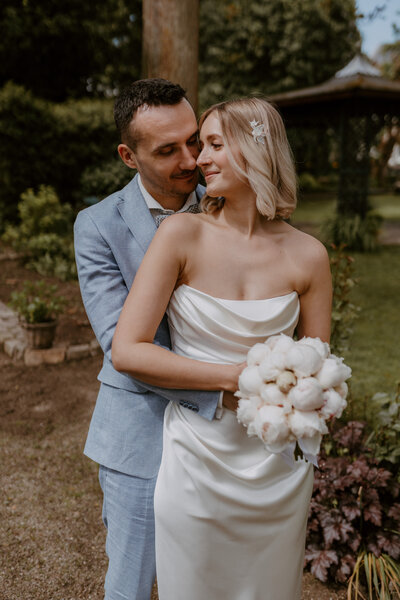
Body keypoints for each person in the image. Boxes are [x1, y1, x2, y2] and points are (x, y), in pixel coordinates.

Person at [112, 97, 332, 599]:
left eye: (213, 144)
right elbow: (128, 349)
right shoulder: (180, 235)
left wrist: (314, 402)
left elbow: (319, 368)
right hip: (198, 458)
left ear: (258, 151)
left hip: (278, 467)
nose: (198, 159)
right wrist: (235, 377)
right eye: (198, 145)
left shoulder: (310, 256)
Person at [74, 79, 226, 600]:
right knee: (132, 584)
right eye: (167, 150)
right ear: (128, 156)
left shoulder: (229, 203)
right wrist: (227, 389)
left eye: (194, 140)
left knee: (213, 578)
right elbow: (122, 344)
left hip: (227, 440)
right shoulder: (97, 227)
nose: (191, 160)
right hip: (140, 434)